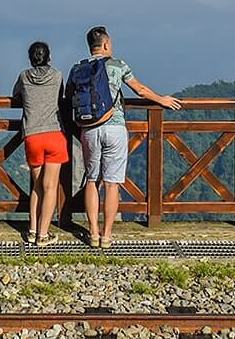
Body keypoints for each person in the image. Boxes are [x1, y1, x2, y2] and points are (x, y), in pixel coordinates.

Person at [75, 26, 182, 249]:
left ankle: (93, 232)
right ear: (105, 45)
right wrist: (161, 100)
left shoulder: (78, 69)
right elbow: (140, 89)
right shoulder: (117, 65)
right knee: (112, 184)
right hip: (114, 128)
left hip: (89, 129)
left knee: (92, 180)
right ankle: (107, 235)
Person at [12, 41, 68, 246]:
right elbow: (60, 97)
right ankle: (43, 235)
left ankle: (32, 229)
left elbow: (16, 94)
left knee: (37, 185)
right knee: (50, 186)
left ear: (30, 58)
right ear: (49, 57)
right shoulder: (57, 75)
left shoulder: (24, 76)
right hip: (54, 133)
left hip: (32, 135)